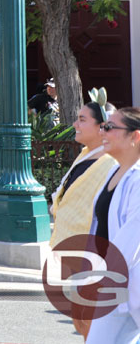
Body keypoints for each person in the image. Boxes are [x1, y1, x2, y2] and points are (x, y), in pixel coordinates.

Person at [48, 99, 118, 338]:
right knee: (81, 321)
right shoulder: (86, 155)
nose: (75, 124)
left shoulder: (112, 164)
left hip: (97, 255)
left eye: (82, 119)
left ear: (102, 127)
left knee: (90, 323)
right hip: (79, 253)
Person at [83, 106, 140, 343]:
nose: (103, 132)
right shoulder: (114, 171)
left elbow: (132, 234)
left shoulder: (138, 179)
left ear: (135, 136)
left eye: (110, 127)